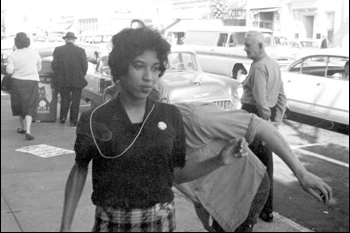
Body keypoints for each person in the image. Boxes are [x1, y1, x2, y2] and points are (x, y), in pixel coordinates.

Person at [59, 27, 250, 232]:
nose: (149, 77)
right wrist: (66, 225)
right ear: (120, 68)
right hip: (111, 224)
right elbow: (79, 168)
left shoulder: (170, 116)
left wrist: (219, 160)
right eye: (139, 66)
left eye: (155, 68)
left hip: (160, 223)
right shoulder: (94, 119)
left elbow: (176, 175)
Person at [173, 102, 332, 232]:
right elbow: (180, 181)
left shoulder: (196, 118)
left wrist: (302, 173)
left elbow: (261, 127)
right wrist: (203, 212)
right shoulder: (153, 140)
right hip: (215, 196)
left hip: (248, 187)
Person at [240, 31, 287, 223]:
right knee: (266, 165)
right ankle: (266, 210)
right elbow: (282, 97)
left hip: (253, 119)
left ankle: (251, 211)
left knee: (249, 167)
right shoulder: (273, 64)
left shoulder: (258, 67)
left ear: (260, 46)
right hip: (264, 120)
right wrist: (276, 121)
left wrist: (265, 123)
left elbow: (260, 102)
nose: (245, 48)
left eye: (248, 45)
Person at [6, 32, 42, 140]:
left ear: (16, 42)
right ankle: (28, 130)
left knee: (20, 105)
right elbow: (39, 68)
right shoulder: (35, 53)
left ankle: (22, 128)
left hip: (17, 82)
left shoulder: (13, 54)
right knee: (29, 105)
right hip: (32, 82)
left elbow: (9, 70)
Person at [52, 32, 88, 127]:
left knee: (65, 98)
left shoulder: (58, 50)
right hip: (77, 78)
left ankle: (63, 117)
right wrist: (81, 74)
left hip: (63, 79)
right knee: (76, 100)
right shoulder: (80, 51)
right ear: (74, 40)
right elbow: (85, 66)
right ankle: (73, 121)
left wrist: (58, 75)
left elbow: (54, 65)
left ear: (65, 39)